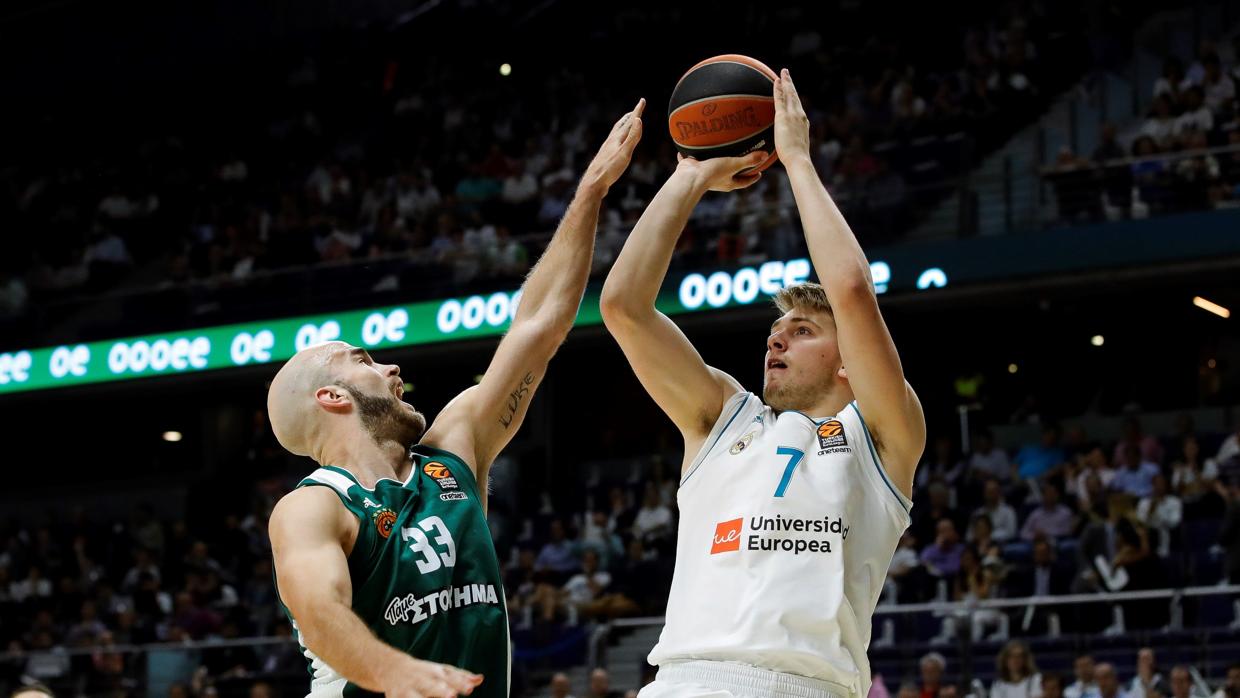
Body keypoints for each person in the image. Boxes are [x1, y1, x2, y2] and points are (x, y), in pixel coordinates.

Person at [265, 101, 646, 698]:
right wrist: (392, 672)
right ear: (332, 396)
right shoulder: (312, 508)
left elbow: (540, 324)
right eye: (363, 361)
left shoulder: (453, 452)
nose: (391, 366)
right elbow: (319, 607)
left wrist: (592, 190)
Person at [604, 70, 924, 698]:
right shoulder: (722, 416)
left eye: (802, 330)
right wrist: (691, 173)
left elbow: (854, 292)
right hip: (682, 682)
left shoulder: (884, 435)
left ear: (847, 361)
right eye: (776, 330)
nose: (776, 339)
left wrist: (797, 160)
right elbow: (623, 307)